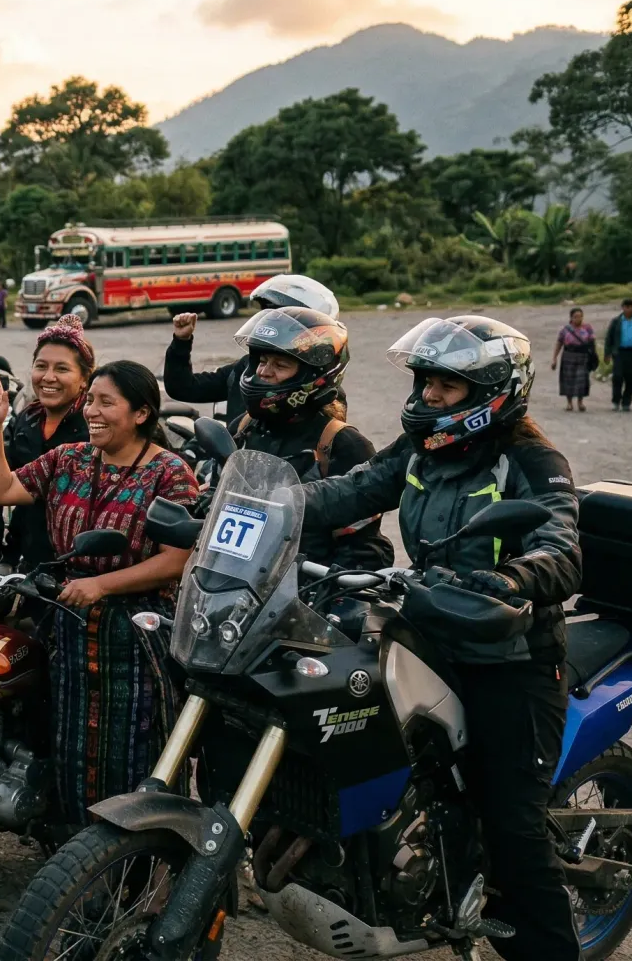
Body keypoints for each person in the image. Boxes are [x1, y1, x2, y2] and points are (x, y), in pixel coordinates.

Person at [297, 315, 580, 961]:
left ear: (491, 392)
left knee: (516, 838)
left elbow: (562, 548)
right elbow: (353, 489)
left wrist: (512, 579)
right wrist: (276, 504)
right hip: (429, 633)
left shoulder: (532, 461)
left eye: (445, 388)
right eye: (424, 383)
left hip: (510, 660)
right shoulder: (422, 447)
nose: (427, 398)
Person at [0, 361, 199, 824]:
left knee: (138, 751)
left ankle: (149, 869)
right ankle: (79, 860)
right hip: (72, 630)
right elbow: (1, 489)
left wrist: (101, 584)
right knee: (73, 747)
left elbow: (177, 558)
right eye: (90, 400)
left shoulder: (169, 472)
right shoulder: (69, 458)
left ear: (141, 413)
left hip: (138, 636)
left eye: (106, 402)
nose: (92, 411)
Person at [231, 307, 392, 569]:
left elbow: (363, 546)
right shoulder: (245, 426)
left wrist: (329, 587)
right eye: (262, 361)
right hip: (239, 580)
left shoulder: (342, 444)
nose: (264, 372)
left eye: (280, 365)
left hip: (302, 592)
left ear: (314, 375)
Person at [165, 273, 339, 424]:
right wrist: (181, 341)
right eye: (270, 317)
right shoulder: (247, 369)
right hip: (238, 460)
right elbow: (183, 387)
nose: (265, 371)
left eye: (281, 365)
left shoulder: (322, 391)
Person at [2, 315, 94, 570]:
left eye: (62, 369)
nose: (48, 377)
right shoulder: (27, 418)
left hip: (79, 567)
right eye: (41, 366)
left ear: (84, 379)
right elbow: (7, 484)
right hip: (30, 560)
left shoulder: (95, 425)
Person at [604, 297, 632, 411]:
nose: (630, 309)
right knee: (618, 377)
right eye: (627, 307)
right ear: (623, 307)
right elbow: (609, 338)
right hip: (619, 352)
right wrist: (607, 353)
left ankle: (626, 402)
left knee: (631, 378)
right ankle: (616, 400)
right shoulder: (616, 321)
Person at [551, 306, 599, 413]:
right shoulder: (565, 330)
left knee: (581, 380)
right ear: (571, 318)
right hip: (569, 356)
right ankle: (569, 403)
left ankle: (580, 402)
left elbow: (592, 343)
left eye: (580, 316)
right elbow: (559, 344)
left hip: (583, 356)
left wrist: (593, 356)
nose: (578, 319)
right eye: (575, 317)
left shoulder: (588, 328)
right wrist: (554, 359)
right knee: (568, 380)